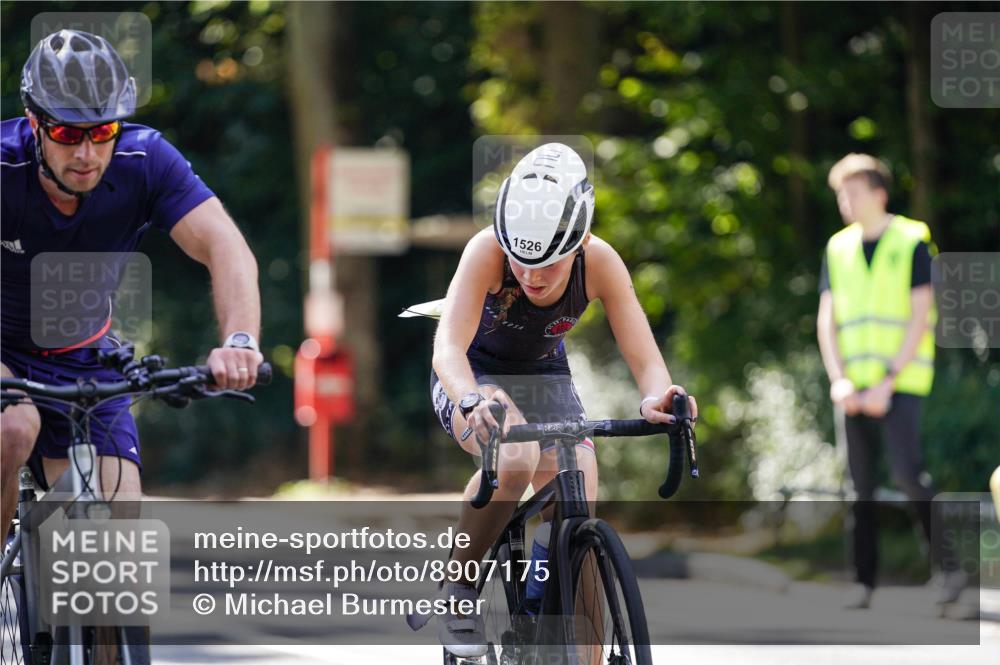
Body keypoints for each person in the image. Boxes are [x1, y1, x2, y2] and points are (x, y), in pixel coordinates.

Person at [426, 143, 696, 656]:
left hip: (543, 374)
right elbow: (449, 349)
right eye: (520, 262)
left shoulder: (601, 262)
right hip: (474, 372)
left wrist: (659, 399)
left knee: (578, 495)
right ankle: (458, 589)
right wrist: (468, 401)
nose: (530, 276)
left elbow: (644, 357)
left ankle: (562, 625)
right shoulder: (485, 250)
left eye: (547, 265)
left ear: (581, 241)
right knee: (517, 456)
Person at [0, 29, 264, 533]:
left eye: (101, 132)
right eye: (66, 133)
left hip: (85, 356)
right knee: (14, 425)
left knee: (119, 525)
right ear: (35, 124)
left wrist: (240, 341)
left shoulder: (145, 161)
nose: (86, 153)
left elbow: (224, 246)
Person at [816, 153, 963, 609]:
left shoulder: (911, 240)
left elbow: (922, 315)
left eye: (853, 191)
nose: (845, 201)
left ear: (879, 194)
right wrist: (839, 381)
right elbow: (827, 319)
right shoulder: (837, 247)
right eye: (841, 193)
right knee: (858, 487)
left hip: (900, 382)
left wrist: (887, 381)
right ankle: (863, 583)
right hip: (852, 387)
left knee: (908, 475)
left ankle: (949, 569)